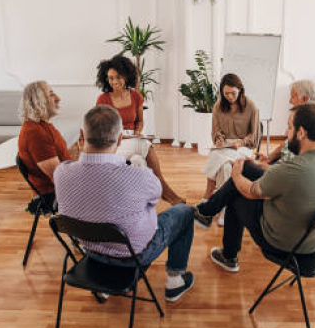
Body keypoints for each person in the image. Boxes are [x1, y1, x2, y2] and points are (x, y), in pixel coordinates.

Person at [54, 105, 196, 302]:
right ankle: (175, 281)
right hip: (133, 256)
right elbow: (155, 197)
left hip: (91, 251)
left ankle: (105, 286)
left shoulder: (61, 173)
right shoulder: (138, 176)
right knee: (185, 212)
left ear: (81, 135)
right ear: (120, 139)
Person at [193, 103, 315, 272]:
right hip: (312, 239)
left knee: (237, 192)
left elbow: (251, 191)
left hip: (283, 243)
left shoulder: (293, 169)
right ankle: (206, 212)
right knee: (249, 168)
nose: (285, 133)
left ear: (301, 133)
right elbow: (285, 177)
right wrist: (258, 166)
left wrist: (236, 175)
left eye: (289, 128)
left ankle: (228, 255)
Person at [95, 54, 186, 205]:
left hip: (132, 138)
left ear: (126, 75)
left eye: (118, 77)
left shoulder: (136, 95)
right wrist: (122, 137)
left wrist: (137, 132)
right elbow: (100, 130)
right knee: (144, 144)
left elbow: (140, 121)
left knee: (138, 161)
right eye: (110, 78)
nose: (114, 81)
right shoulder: (103, 99)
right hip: (113, 143)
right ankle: (165, 190)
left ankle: (140, 204)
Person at [242, 79, 315, 180]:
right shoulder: (302, 119)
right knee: (246, 169)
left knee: (244, 169)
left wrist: (268, 168)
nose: (290, 101)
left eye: (293, 96)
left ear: (304, 98)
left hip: (292, 176)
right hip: (283, 166)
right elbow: (287, 144)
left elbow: (299, 169)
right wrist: (270, 157)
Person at [201, 73, 260, 202]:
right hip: (226, 145)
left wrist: (241, 142)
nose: (230, 97)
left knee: (217, 158)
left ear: (240, 89)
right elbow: (216, 130)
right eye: (226, 94)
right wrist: (219, 139)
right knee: (226, 167)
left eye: (233, 93)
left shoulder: (251, 106)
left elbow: (254, 136)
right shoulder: (218, 106)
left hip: (244, 147)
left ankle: (207, 196)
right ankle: (226, 207)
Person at [18, 80, 72, 211]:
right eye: (52, 95)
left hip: (61, 186)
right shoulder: (35, 133)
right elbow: (59, 179)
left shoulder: (42, 126)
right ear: (38, 101)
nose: (58, 99)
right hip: (54, 196)